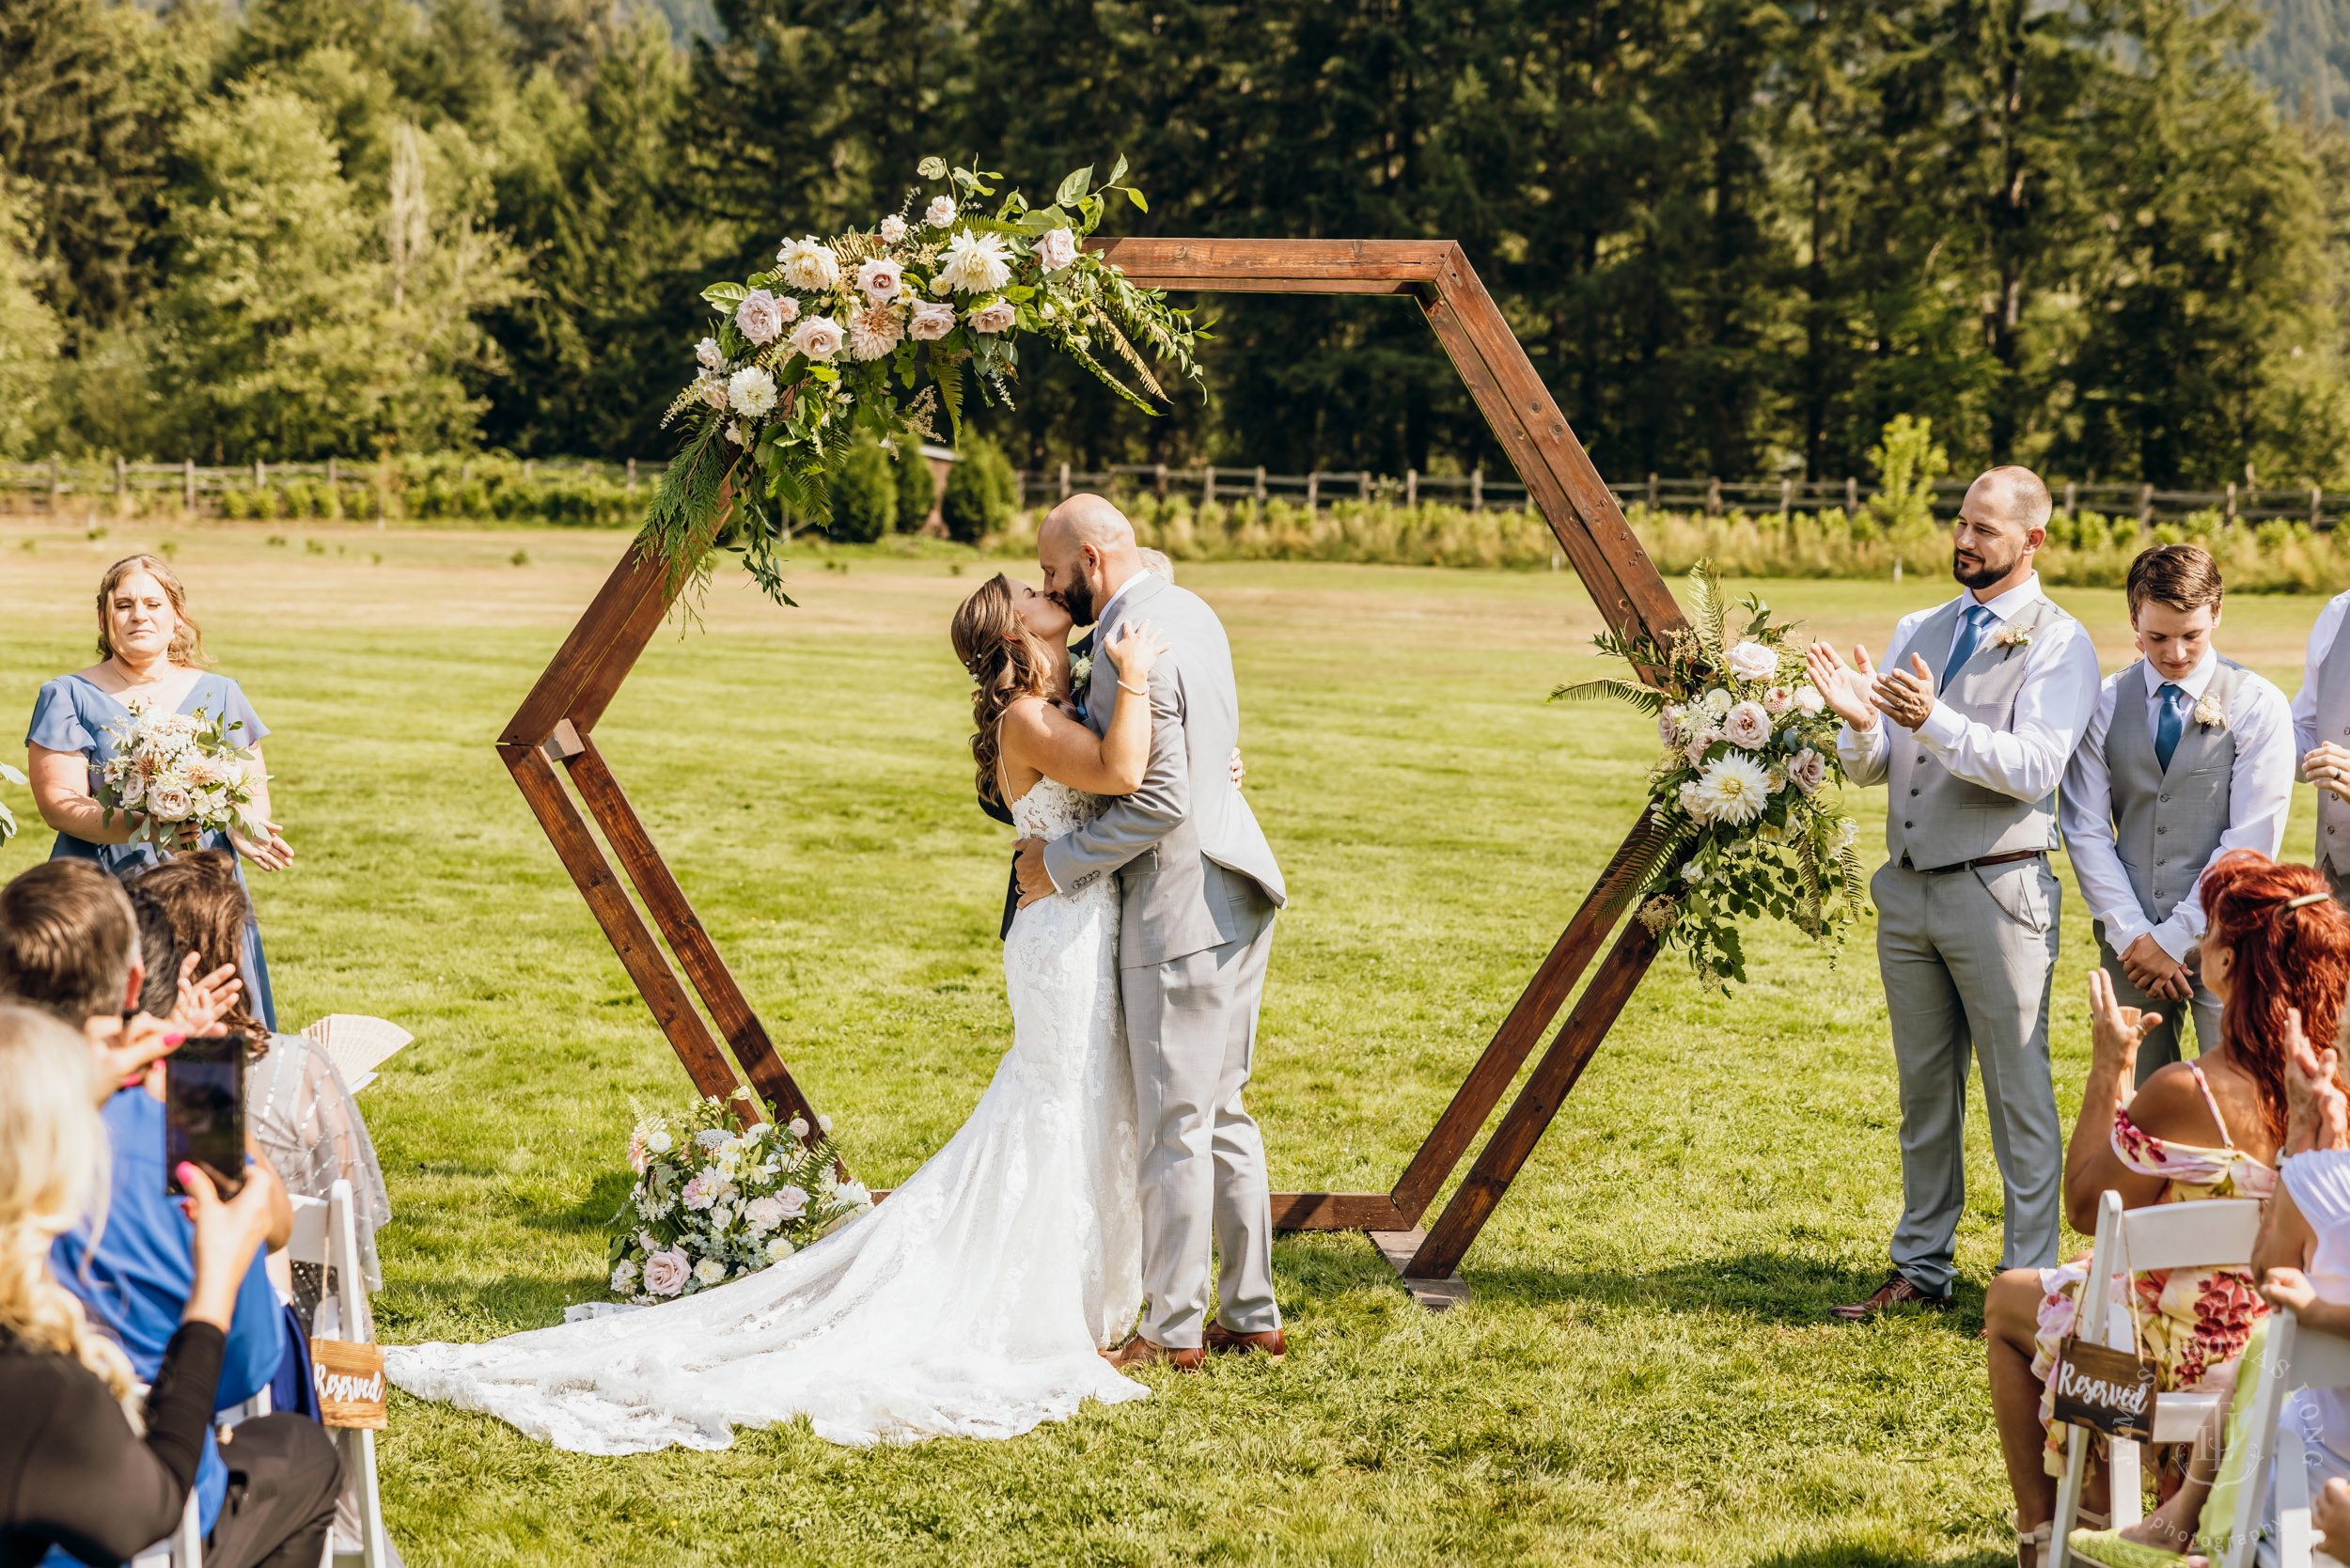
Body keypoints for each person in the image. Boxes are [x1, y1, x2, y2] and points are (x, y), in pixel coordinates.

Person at [385, 569, 1176, 1450]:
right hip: (1059, 942)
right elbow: (1122, 770)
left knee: (1075, 1102)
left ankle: (1076, 1292)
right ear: (1014, 632)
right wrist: (1137, 673)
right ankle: (1037, 1307)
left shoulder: (1051, 709)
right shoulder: (1030, 720)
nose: (1046, 589)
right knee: (1051, 1107)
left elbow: (1134, 782)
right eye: (1031, 591)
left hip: (1075, 926)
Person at [1979, 851, 2350, 1567]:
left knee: (2007, 1303)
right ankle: (2118, 1504)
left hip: (2157, 1388)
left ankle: (2040, 1534)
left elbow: (2087, 1204)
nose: (2197, 945)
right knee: (2086, 1289)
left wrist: (2110, 1066)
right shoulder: (2335, 1098)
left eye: (2210, 932)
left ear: (2231, 964)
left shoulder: (2187, 1090)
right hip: (2280, 1372)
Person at [1805, 466, 2103, 1320]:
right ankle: (1921, 1266)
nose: (1965, 540)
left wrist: (1931, 715)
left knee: (2019, 1094)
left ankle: (2027, 1285)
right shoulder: (1918, 626)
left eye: (1986, 529)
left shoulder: (2059, 641)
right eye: (1962, 522)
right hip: (1908, 893)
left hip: (1998, 891)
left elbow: (2035, 769)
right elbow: (1876, 768)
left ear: (2033, 541)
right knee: (1924, 1093)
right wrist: (1858, 721)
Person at [1019, 494, 1289, 1369]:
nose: (1051, 590)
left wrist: (1057, 865)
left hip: (1182, 905)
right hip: (1240, 885)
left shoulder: (1127, 651)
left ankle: (1171, 1331)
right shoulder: (1187, 609)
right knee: (1222, 1113)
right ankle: (1251, 1312)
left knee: (1177, 1121)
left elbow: (1157, 797)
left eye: (1057, 575)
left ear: (1094, 562)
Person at [0, 859, 316, 1562]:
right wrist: (203, 1083)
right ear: (136, 985)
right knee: (302, 1455)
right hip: (147, 1508)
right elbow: (247, 1365)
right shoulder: (185, 1127)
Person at [24, 554, 293, 1031]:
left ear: (177, 616)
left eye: (152, 603)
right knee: (113, 1020)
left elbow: (250, 792)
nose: (139, 615)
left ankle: (205, 1108)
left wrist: (246, 827)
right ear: (105, 619)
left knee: (211, 1026)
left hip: (203, 888)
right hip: (108, 888)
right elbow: (59, 806)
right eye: (123, 604)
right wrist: (148, 819)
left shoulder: (221, 693)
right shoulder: (67, 694)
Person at [2060, 544, 2294, 1084]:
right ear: (2134, 617)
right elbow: (2085, 828)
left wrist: (2173, 939)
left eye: (2192, 635)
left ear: (2216, 614)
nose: (2177, 653)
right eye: (2158, 636)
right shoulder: (2103, 702)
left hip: (2231, 936)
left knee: (2239, 1095)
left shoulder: (2259, 703)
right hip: (2129, 943)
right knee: (2137, 1104)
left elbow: (2251, 843)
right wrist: (2134, 937)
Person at [128, 851, 392, 1316]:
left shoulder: (103, 1081)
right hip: (268, 1323)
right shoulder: (292, 1067)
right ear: (233, 956)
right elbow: (350, 1213)